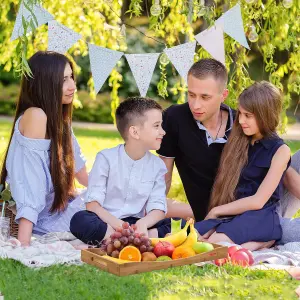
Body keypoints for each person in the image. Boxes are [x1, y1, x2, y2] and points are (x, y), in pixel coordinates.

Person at [0, 51, 88, 246]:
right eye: (64, 79)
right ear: (45, 83)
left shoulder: (59, 120)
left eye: (71, 77)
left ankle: (152, 231)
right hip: (42, 219)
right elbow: (29, 182)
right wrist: (24, 243)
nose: (73, 86)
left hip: (58, 208)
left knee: (120, 200)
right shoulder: (36, 116)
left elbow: (81, 173)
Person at [194, 81, 290, 248]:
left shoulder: (280, 150)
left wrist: (217, 210)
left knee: (215, 244)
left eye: (248, 115)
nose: (241, 120)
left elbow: (258, 201)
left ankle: (265, 239)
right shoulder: (240, 141)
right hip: (234, 213)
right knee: (192, 238)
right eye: (241, 114)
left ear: (265, 114)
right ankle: (258, 243)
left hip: (260, 216)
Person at [70, 97, 173, 245]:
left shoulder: (157, 165)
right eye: (156, 126)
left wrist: (143, 224)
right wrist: (119, 226)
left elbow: (158, 208)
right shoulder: (105, 158)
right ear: (135, 132)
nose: (163, 132)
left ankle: (127, 239)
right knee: (80, 220)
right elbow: (92, 205)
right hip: (106, 221)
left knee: (180, 224)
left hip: (137, 224)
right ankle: (125, 238)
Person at [158, 58, 234, 221]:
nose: (196, 105)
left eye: (205, 97)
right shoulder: (174, 118)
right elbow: (163, 176)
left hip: (249, 210)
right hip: (206, 215)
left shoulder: (243, 123)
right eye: (191, 95)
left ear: (224, 95)